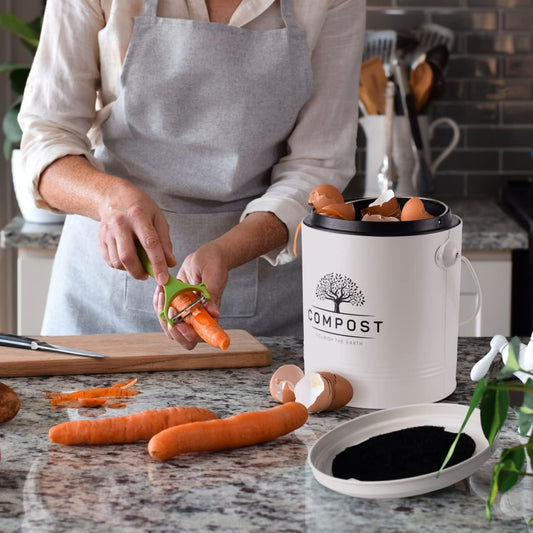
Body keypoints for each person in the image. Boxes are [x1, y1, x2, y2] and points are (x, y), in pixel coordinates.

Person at [18, 0, 365, 349]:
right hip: (100, 308)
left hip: (266, 312)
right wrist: (108, 198)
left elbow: (318, 163)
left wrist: (227, 252)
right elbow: (46, 139)